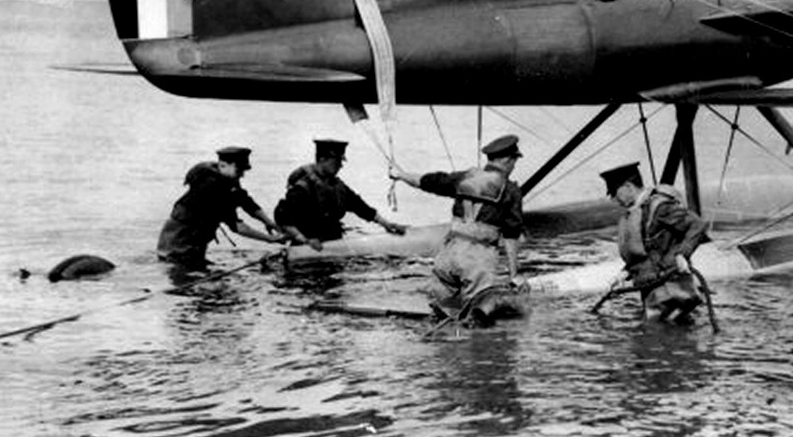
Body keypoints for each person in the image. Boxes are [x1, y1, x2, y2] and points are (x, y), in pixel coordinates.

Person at [389, 134, 525, 325]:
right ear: (507, 160)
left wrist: (400, 175)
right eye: (514, 161)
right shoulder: (510, 190)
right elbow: (511, 235)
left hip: (448, 254)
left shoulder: (464, 177)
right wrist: (514, 275)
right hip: (477, 258)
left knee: (442, 311)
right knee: (480, 314)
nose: (514, 166)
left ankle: (442, 346)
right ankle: (474, 344)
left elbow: (427, 181)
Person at [600, 162, 709, 323]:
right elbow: (647, 252)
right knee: (660, 336)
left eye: (615, 192)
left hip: (670, 289)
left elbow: (697, 225)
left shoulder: (660, 207)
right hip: (653, 291)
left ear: (629, 187)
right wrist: (624, 274)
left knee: (655, 336)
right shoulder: (639, 212)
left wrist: (683, 254)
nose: (613, 199)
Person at [157, 146, 283, 269]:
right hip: (179, 244)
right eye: (239, 171)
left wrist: (270, 223)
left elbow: (245, 202)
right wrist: (270, 239)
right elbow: (237, 226)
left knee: (201, 274)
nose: (242, 175)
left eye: (243, 171)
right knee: (190, 277)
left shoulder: (227, 178)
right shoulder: (211, 187)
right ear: (223, 165)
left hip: (193, 242)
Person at [274, 139, 406, 250]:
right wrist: (303, 240)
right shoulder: (302, 189)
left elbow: (360, 207)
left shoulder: (337, 186)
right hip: (308, 247)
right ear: (322, 159)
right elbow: (282, 218)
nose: (341, 166)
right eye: (337, 161)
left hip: (332, 243)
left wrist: (387, 224)